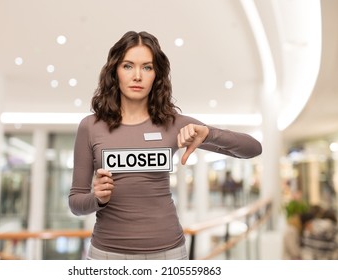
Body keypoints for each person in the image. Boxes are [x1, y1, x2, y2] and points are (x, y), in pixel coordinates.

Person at [68, 31, 262, 260]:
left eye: (147, 67)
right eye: (128, 66)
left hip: (168, 254)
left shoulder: (173, 124)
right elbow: (76, 203)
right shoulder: (90, 127)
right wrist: (97, 198)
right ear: (114, 71)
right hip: (107, 255)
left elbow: (253, 148)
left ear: (156, 75)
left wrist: (208, 134)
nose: (137, 76)